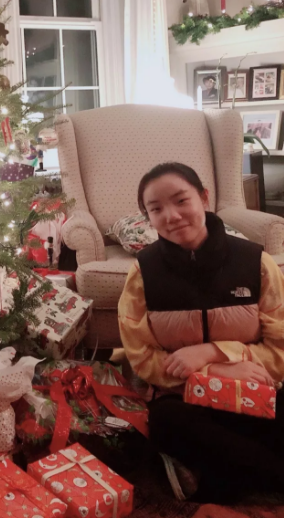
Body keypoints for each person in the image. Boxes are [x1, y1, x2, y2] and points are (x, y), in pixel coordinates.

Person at [118, 162, 284, 504]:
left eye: (181, 200)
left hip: (253, 391)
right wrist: (214, 372)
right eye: (156, 209)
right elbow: (142, 358)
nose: (171, 216)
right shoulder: (143, 274)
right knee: (165, 422)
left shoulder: (256, 262)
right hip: (184, 398)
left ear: (204, 198)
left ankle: (219, 479)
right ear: (148, 217)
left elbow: (280, 352)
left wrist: (215, 352)